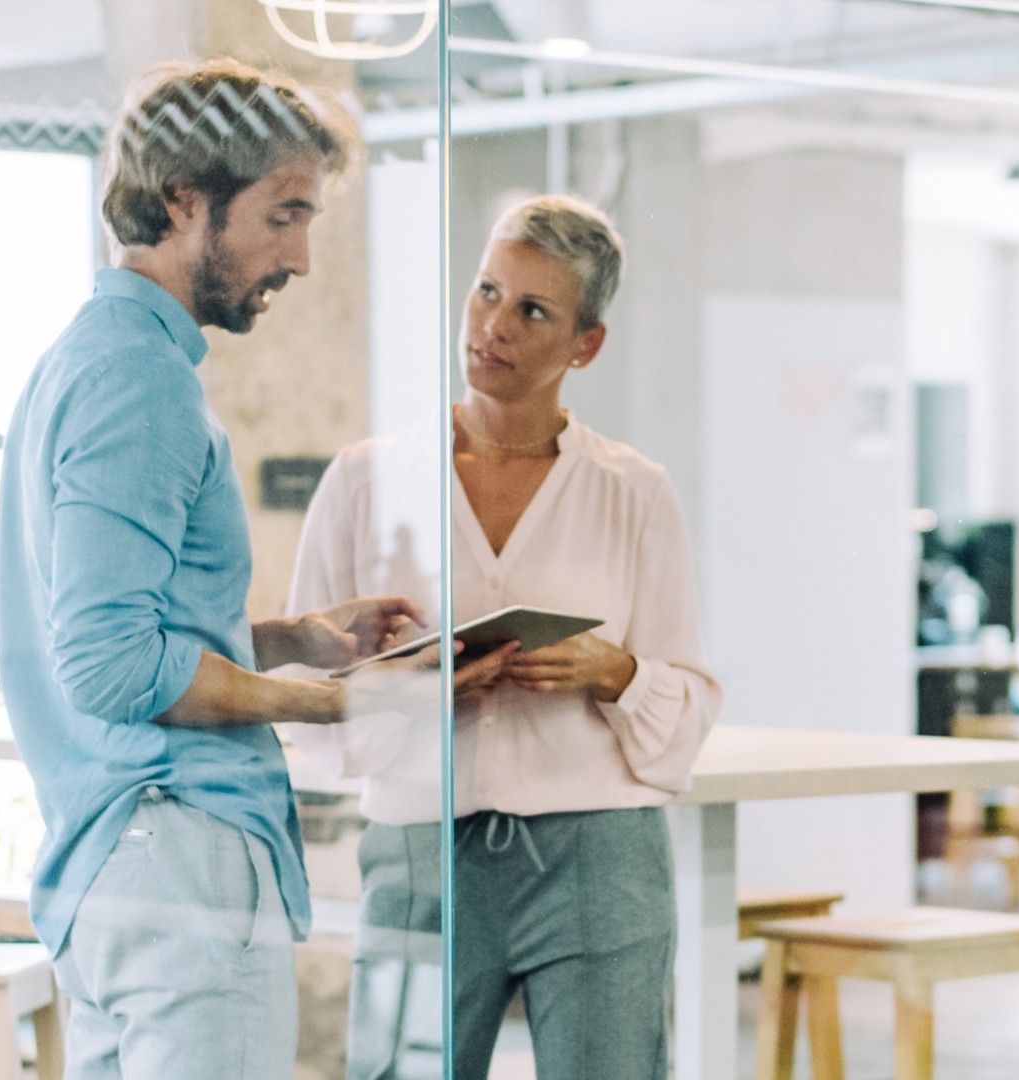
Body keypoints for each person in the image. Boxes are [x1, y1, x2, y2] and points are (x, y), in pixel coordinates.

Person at [0, 59, 424, 1080]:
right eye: (284, 215)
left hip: (117, 860)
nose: (304, 258)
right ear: (186, 202)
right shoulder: (137, 383)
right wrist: (332, 707)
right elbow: (110, 665)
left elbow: (116, 621)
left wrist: (295, 640)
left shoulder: (87, 360)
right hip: (178, 853)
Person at [285, 195, 723, 1079]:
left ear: (584, 344)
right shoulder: (367, 479)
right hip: (421, 845)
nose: (494, 326)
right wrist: (412, 684)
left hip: (597, 858)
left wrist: (617, 672)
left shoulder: (635, 491)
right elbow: (301, 691)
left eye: (533, 310)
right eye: (487, 292)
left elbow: (691, 694)